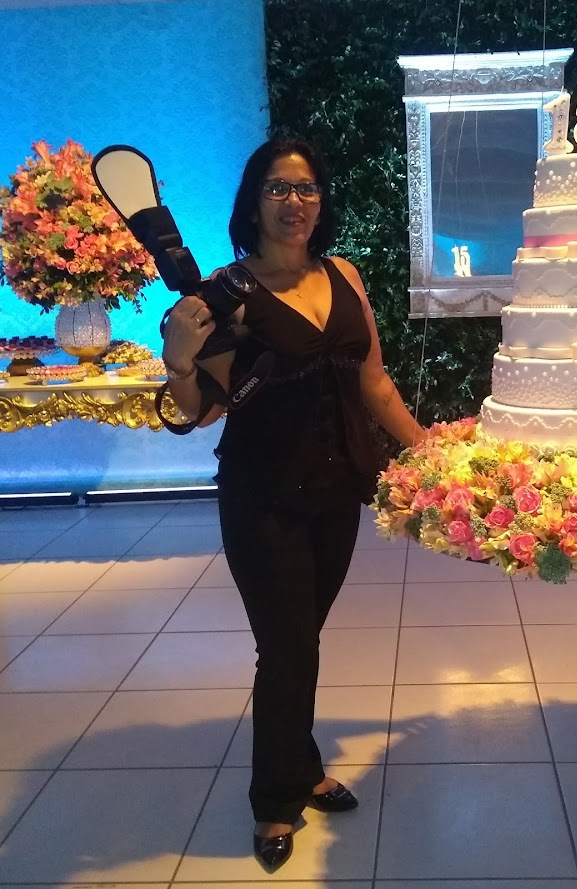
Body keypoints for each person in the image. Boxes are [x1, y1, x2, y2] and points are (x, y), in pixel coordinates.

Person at [161, 137, 425, 871]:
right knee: (284, 646)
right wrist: (179, 358)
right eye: (278, 188)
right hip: (263, 492)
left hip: (338, 489)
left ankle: (302, 765)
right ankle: (276, 799)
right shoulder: (226, 292)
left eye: (306, 188)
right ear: (253, 202)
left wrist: (429, 449)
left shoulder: (344, 274)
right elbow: (202, 410)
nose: (294, 201)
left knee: (301, 637)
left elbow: (373, 381)